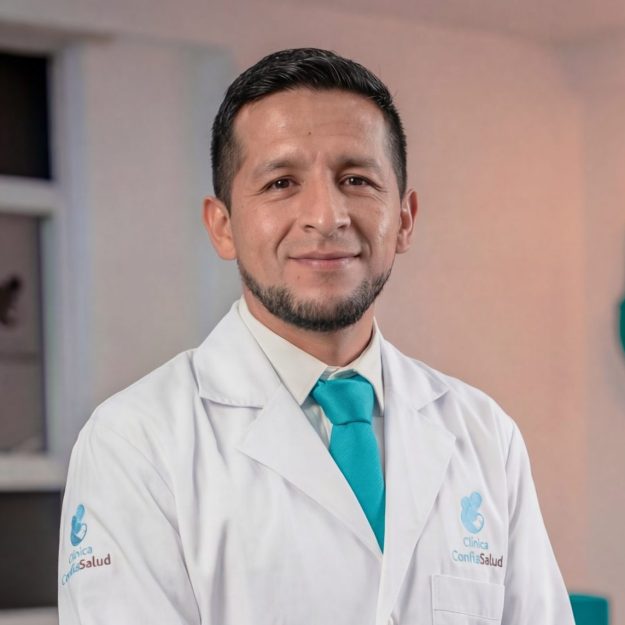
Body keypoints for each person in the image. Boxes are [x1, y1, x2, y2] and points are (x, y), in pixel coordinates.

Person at [58, 48, 575, 625]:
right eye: (281, 182)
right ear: (222, 226)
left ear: (404, 220)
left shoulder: (485, 436)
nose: (326, 217)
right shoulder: (134, 442)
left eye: (356, 179)